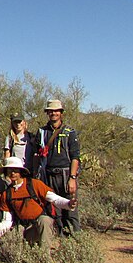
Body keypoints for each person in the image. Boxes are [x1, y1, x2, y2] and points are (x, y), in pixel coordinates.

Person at [0, 157, 78, 249]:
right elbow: (7, 221)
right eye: (9, 170)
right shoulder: (7, 194)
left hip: (40, 226)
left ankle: (45, 256)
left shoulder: (34, 184)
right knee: (10, 242)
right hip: (23, 229)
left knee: (44, 220)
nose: (12, 173)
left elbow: (54, 199)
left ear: (21, 172)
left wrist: (68, 203)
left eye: (15, 170)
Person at [33, 99, 81, 235]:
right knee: (54, 210)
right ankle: (60, 240)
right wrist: (36, 176)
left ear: (61, 113)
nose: (54, 113)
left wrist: (72, 178)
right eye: (51, 111)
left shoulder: (70, 132)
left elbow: (75, 157)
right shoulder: (42, 132)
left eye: (56, 111)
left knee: (71, 209)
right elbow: (37, 155)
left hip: (66, 174)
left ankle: (76, 240)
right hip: (48, 175)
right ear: (47, 113)